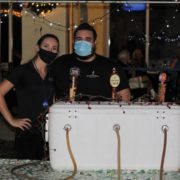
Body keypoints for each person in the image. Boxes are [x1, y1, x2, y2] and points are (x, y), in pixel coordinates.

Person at [0, 33, 59, 160]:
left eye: (54, 48)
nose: (50, 50)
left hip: (48, 131)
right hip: (27, 131)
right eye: (46, 46)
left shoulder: (52, 72)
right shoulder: (22, 71)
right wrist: (11, 120)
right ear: (37, 48)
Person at [51, 23, 130, 102]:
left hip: (100, 113)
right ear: (73, 41)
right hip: (67, 113)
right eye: (79, 39)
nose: (83, 43)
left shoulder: (109, 66)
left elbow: (124, 96)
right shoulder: (60, 63)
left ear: (94, 43)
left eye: (88, 39)